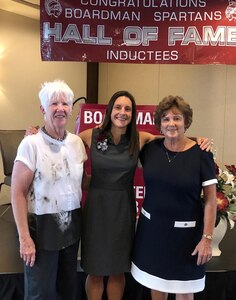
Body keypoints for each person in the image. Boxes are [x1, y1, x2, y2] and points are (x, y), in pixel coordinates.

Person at [25, 91, 211, 300]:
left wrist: (199, 140)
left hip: (123, 209)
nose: (122, 112)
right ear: (110, 110)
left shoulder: (139, 138)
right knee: (94, 270)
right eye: (118, 107)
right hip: (96, 208)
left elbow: (171, 136)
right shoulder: (91, 135)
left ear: (133, 114)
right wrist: (36, 134)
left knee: (117, 270)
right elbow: (60, 140)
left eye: (128, 109)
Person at [131, 95, 217, 300]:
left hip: (186, 237)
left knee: (184, 290)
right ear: (159, 124)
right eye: (166, 119)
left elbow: (211, 200)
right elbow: (118, 134)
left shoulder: (201, 154)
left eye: (177, 118)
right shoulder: (150, 149)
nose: (171, 123)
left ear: (186, 122)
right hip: (152, 233)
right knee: (156, 284)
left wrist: (206, 239)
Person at [11, 79, 88, 300]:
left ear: (72, 108)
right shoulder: (31, 144)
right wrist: (25, 239)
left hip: (71, 227)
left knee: (67, 290)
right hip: (40, 229)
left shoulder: (76, 143)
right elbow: (17, 193)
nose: (60, 108)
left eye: (65, 103)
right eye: (54, 103)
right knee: (40, 293)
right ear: (43, 108)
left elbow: (80, 182)